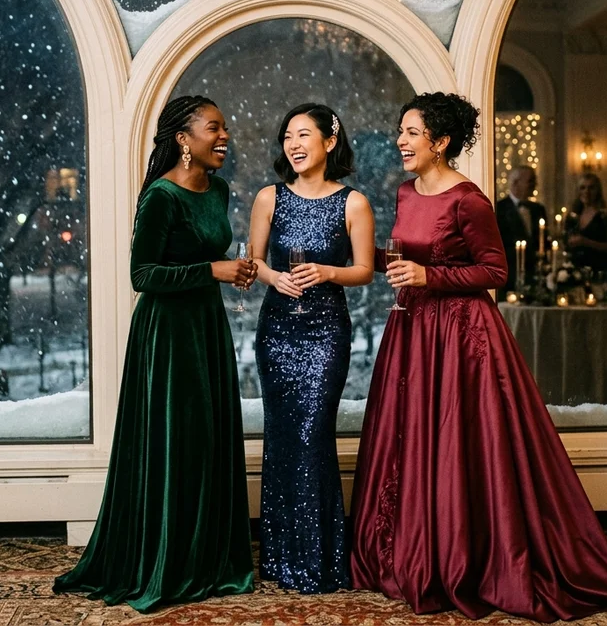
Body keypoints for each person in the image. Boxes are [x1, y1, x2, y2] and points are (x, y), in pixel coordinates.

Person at [350, 92, 607, 621]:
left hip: (461, 338)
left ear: (441, 141)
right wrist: (372, 255)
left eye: (411, 132)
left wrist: (431, 276)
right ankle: (415, 547)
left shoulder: (468, 200)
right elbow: (408, 254)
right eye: (401, 131)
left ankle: (466, 555)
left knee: (463, 442)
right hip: (413, 332)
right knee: (413, 437)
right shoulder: (407, 193)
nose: (401, 141)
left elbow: (497, 273)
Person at [54, 96, 256, 612]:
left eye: (226, 126)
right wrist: (212, 271)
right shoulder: (161, 198)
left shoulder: (220, 190)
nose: (225, 135)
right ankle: (166, 560)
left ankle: (205, 558)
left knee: (208, 439)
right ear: (184, 139)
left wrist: (230, 269)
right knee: (175, 441)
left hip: (207, 328)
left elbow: (210, 253)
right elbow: (142, 277)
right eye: (215, 127)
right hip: (167, 334)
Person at [249, 104, 375, 593]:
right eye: (286, 137)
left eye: (303, 135)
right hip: (277, 331)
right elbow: (253, 261)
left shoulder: (354, 203)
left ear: (329, 141)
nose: (293, 144)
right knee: (281, 437)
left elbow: (364, 270)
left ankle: (319, 558)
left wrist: (326, 272)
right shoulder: (268, 198)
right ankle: (281, 558)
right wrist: (273, 276)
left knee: (313, 435)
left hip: (326, 333)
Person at [566, 172, 607, 295]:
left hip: (600, 274)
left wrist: (586, 242)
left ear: (598, 190)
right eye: (583, 187)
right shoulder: (573, 216)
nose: (587, 192)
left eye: (591, 188)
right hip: (577, 273)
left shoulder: (605, 215)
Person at [495, 165, 547, 288]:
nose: (535, 184)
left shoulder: (538, 209)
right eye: (530, 181)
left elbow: (543, 242)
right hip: (510, 276)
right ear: (516, 183)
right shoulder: (499, 209)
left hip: (535, 277)